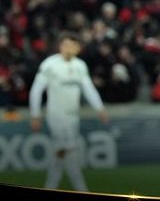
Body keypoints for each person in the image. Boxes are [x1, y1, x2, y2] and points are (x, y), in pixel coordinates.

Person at [29, 32, 108, 191]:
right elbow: (36, 90)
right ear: (60, 46)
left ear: (78, 48)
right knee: (70, 151)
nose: (69, 48)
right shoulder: (50, 65)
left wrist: (99, 108)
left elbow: (88, 89)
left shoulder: (80, 66)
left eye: (73, 45)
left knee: (60, 154)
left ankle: (50, 186)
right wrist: (35, 115)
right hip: (56, 115)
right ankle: (82, 189)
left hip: (73, 116)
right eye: (66, 45)